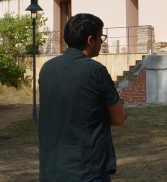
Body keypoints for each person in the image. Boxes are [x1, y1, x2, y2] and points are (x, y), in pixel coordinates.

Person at [39, 13, 127, 182]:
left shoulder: (47, 69)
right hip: (87, 169)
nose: (102, 42)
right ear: (90, 40)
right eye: (101, 36)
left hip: (52, 169)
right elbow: (118, 118)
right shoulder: (95, 71)